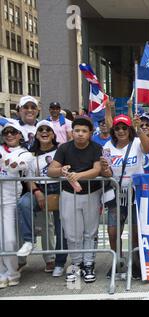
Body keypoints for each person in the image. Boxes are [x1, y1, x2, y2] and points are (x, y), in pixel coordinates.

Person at [48, 116, 103, 283]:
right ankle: (76, 264)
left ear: (90, 133)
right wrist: (62, 171)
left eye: (84, 131)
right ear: (72, 132)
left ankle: (89, 264)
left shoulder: (96, 147)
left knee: (90, 231)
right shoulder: (64, 148)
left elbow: (97, 170)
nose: (80, 134)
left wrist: (77, 175)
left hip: (91, 193)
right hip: (68, 195)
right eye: (77, 130)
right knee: (72, 234)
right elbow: (52, 170)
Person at [100, 114, 149, 279]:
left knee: (136, 232)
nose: (121, 131)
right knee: (114, 231)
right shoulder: (107, 146)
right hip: (116, 193)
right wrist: (105, 169)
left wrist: (139, 130)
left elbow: (148, 148)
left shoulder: (137, 142)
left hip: (137, 192)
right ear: (113, 130)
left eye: (124, 128)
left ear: (129, 129)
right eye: (117, 128)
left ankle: (136, 263)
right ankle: (118, 262)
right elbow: (106, 172)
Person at [16, 120, 68, 277]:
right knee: (24, 203)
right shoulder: (31, 155)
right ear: (36, 135)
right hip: (41, 190)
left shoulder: (62, 150)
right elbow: (29, 179)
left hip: (61, 190)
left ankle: (59, 262)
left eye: (48, 130)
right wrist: (37, 193)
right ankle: (28, 240)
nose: (44, 132)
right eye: (41, 130)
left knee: (61, 228)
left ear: (53, 134)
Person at [0, 122, 33, 288]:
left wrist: (3, 160)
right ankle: (1, 273)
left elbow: (17, 167)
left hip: (10, 200)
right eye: (6, 132)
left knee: (10, 240)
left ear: (20, 135)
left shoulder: (25, 153)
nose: (9, 135)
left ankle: (13, 272)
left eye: (13, 132)